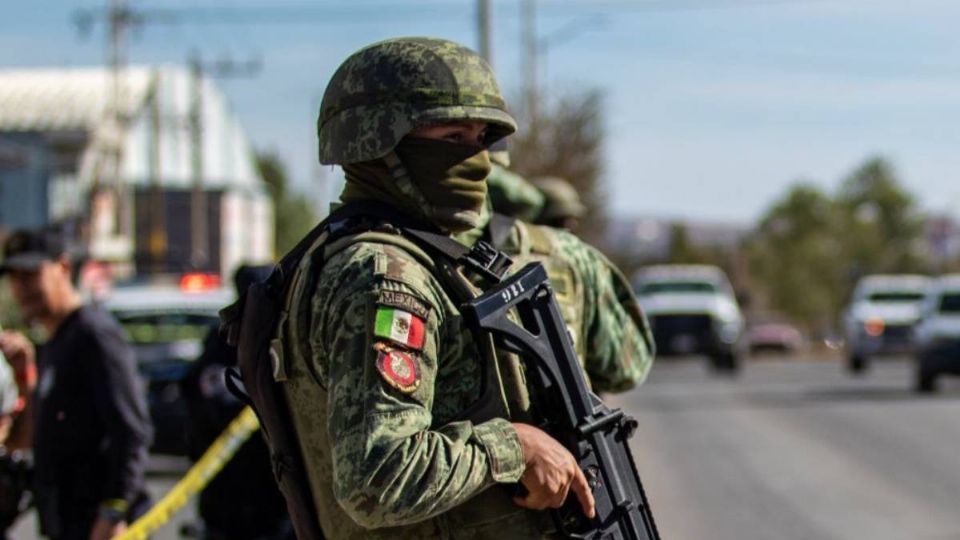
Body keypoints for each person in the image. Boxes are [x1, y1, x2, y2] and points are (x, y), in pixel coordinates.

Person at [279, 37, 654, 539]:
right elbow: (378, 477)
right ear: (377, 141)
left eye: (482, 139)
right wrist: (515, 448)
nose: (476, 160)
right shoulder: (385, 275)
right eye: (454, 137)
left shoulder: (408, 256)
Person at [0, 229, 152, 540]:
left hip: (101, 527)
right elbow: (34, 440)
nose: (21, 288)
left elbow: (132, 431)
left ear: (64, 268)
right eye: (15, 278)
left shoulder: (93, 334)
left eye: (31, 275)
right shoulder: (55, 342)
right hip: (66, 524)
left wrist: (113, 510)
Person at [181, 264, 293, 540]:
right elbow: (199, 405)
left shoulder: (282, 340)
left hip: (274, 504)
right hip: (232, 502)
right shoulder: (222, 344)